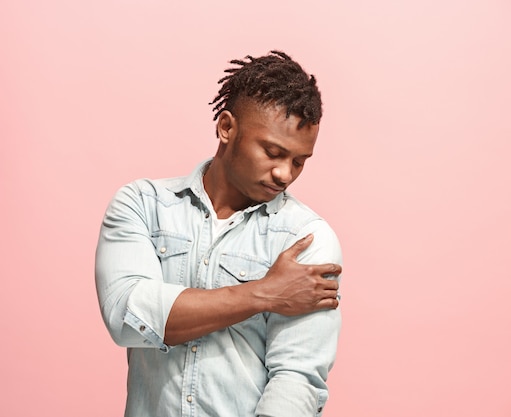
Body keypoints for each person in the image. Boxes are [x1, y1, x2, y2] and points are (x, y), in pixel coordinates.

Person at [95, 50, 343, 417]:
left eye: (298, 161)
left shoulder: (307, 238)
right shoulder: (143, 205)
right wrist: (265, 293)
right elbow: (127, 317)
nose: (284, 174)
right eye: (272, 152)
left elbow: (297, 378)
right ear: (227, 127)